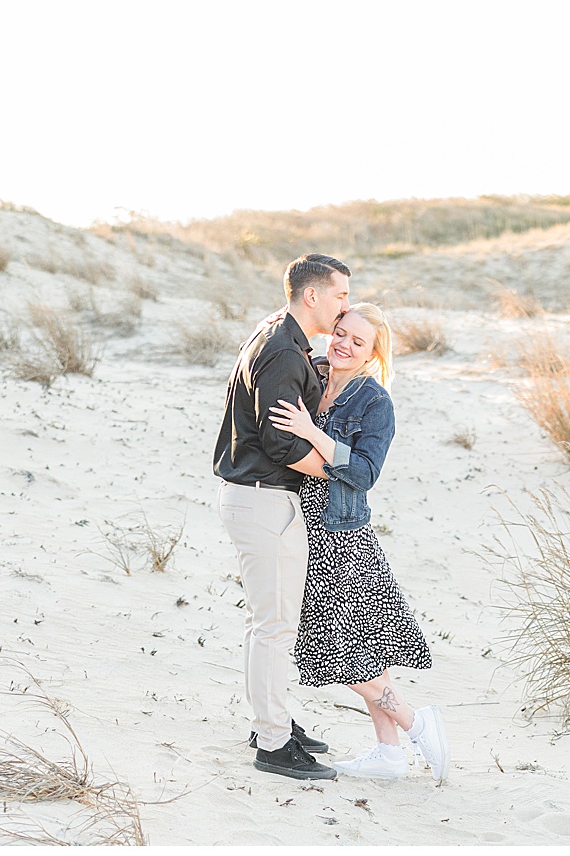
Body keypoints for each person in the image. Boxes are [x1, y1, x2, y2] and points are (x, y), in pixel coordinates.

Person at [267, 303, 450, 783]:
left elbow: (365, 474)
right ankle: (388, 754)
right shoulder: (314, 375)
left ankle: (416, 724)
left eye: (357, 341)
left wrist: (312, 433)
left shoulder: (375, 402)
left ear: (373, 353)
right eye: (341, 333)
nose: (343, 345)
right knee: (366, 652)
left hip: (341, 537)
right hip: (302, 525)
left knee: (348, 659)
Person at [214, 253, 352, 780]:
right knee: (274, 628)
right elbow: (278, 441)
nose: (345, 307)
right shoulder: (282, 352)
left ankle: (268, 720)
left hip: (252, 497)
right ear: (312, 296)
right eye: (340, 295)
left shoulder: (277, 335)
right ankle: (272, 744)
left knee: (263, 624)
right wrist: (335, 471)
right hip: (265, 499)